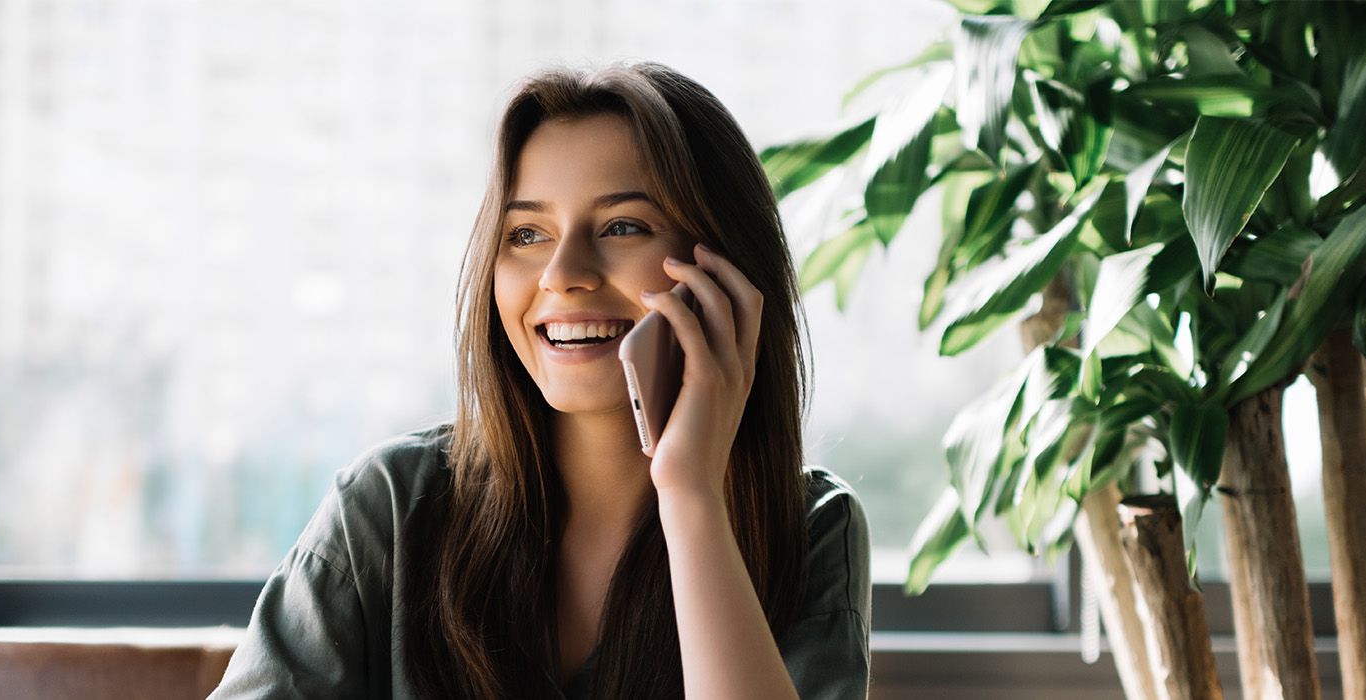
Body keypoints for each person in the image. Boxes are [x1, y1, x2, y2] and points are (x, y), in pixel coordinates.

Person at [207, 62, 871, 700]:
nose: (562, 273)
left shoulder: (811, 532)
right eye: (527, 233)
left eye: (622, 226)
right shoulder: (387, 511)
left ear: (723, 273)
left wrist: (691, 494)